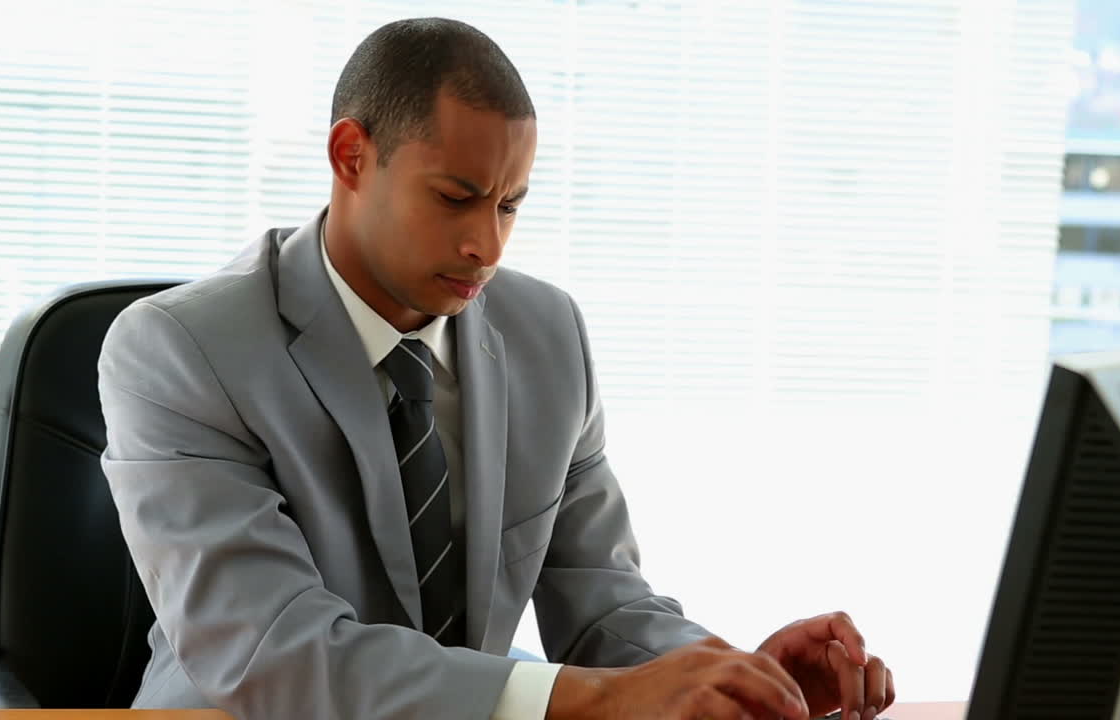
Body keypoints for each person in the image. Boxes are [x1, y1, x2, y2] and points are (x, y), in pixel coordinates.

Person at [98, 16, 895, 720]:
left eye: (510, 203)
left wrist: (736, 678)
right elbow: (277, 655)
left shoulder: (547, 335)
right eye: (455, 198)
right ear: (351, 156)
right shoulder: (178, 350)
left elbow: (602, 604)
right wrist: (597, 699)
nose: (489, 244)